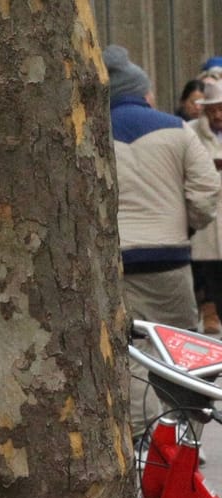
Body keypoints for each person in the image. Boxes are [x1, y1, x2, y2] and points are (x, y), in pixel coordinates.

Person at [107, 45, 219, 331]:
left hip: (116, 259)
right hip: (169, 256)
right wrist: (188, 226)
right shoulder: (178, 129)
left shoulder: (91, 134)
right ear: (144, 93)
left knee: (129, 348)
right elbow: (207, 192)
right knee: (180, 348)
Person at [188, 77, 222, 333]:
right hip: (209, 224)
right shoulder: (190, 133)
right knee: (212, 281)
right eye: (213, 110)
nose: (218, 115)